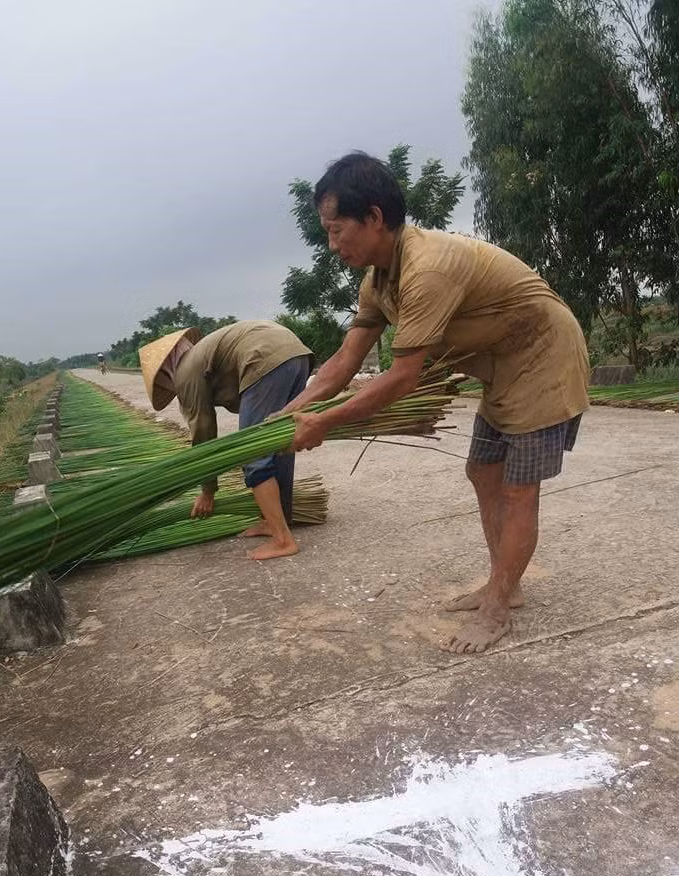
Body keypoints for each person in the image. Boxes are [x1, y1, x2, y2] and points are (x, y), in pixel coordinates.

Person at [281, 152, 590, 654]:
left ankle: (496, 611)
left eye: (337, 230)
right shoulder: (378, 280)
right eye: (328, 232)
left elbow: (403, 377)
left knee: (517, 489)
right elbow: (344, 360)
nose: (332, 244)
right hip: (502, 365)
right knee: (483, 471)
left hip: (543, 358)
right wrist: (293, 411)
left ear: (375, 218)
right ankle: (503, 587)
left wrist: (324, 423)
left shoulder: (426, 269)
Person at [139, 320, 313, 560]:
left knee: (252, 453)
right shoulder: (202, 354)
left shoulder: (185, 372)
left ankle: (283, 540)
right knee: (278, 444)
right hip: (297, 354)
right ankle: (275, 521)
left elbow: (203, 430)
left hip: (264, 360)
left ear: (165, 372)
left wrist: (207, 490)